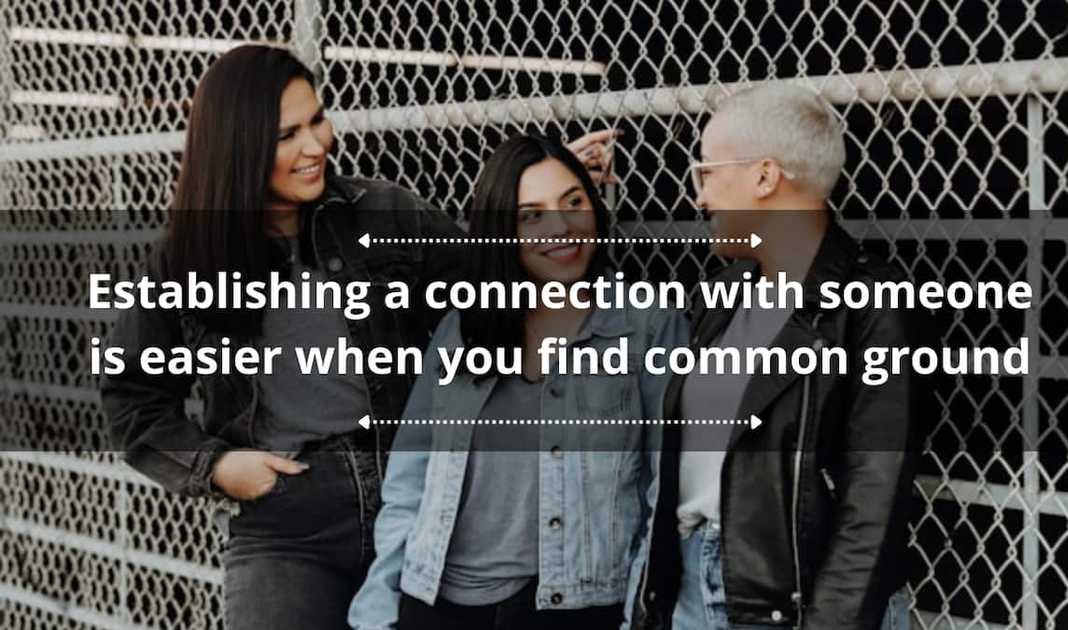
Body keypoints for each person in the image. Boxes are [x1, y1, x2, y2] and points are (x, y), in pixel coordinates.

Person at [100, 44, 617, 630]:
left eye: (317, 119)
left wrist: (541, 195)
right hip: (290, 522)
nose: (316, 145)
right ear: (237, 147)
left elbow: (487, 284)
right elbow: (132, 398)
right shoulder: (184, 259)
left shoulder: (384, 214)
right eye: (286, 135)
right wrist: (219, 466)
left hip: (417, 505)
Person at [348, 135, 688, 630]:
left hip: (571, 606)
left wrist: (639, 612)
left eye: (573, 203)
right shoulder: (464, 326)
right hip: (434, 603)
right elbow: (410, 480)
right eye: (531, 214)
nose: (562, 228)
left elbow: (666, 490)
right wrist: (379, 607)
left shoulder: (646, 324)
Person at [637, 84, 922, 630]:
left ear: (764, 177)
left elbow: (875, 499)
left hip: (794, 604)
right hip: (692, 585)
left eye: (708, 173)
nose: (699, 197)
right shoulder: (720, 297)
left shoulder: (872, 303)